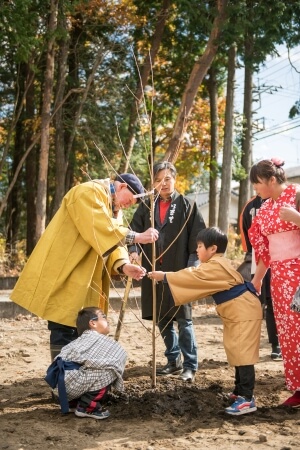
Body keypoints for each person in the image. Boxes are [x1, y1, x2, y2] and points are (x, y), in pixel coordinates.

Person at [10, 173, 159, 360]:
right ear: (121, 187)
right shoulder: (88, 191)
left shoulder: (113, 208)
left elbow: (113, 243)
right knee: (64, 326)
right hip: (68, 271)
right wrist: (137, 237)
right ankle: (61, 381)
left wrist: (123, 266)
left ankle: (77, 380)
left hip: (89, 279)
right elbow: (99, 228)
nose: (126, 206)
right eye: (128, 201)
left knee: (85, 330)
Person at [148, 227, 262, 416]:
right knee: (237, 350)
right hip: (239, 311)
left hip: (243, 311)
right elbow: (196, 276)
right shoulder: (216, 264)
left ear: (212, 249)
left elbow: (193, 276)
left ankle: (247, 399)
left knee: (243, 354)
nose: (198, 250)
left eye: (200, 246)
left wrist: (166, 276)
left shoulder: (216, 265)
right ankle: (239, 392)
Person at [129, 162, 206, 382]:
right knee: (161, 317)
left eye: (167, 179)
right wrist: (134, 250)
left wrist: (193, 267)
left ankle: (190, 364)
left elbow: (197, 238)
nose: (163, 183)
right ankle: (173, 360)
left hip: (179, 270)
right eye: (158, 180)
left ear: (175, 179)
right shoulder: (146, 205)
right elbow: (132, 231)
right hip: (153, 270)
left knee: (184, 319)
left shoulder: (188, 206)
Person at [248, 158, 300, 408]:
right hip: (279, 276)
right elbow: (265, 251)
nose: (255, 188)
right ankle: (297, 385)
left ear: (271, 180)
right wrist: (257, 280)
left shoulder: (297, 195)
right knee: (288, 331)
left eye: (257, 183)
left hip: (298, 272)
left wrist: (297, 217)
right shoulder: (265, 208)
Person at [45, 306, 127, 420]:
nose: (107, 319)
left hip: (60, 386)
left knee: (89, 368)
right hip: (72, 383)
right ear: (92, 323)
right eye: (103, 316)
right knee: (112, 368)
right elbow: (116, 360)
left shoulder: (78, 341)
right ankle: (87, 407)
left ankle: (73, 403)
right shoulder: (98, 339)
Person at [239, 195, 282, 361]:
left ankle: (277, 344)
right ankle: (254, 344)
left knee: (273, 302)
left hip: (281, 256)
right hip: (257, 257)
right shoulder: (250, 205)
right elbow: (245, 233)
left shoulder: (283, 199)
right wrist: (252, 253)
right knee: (256, 301)